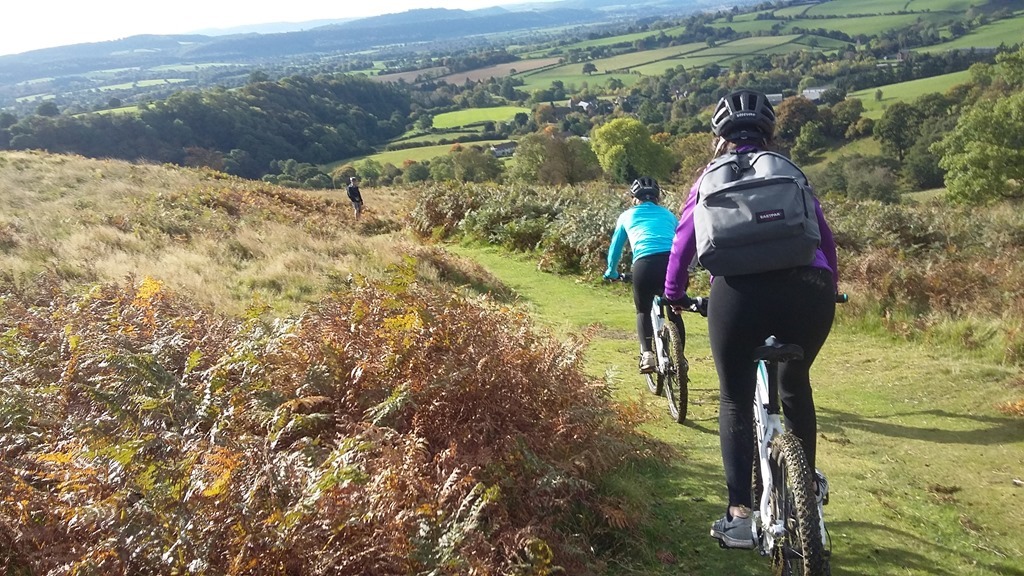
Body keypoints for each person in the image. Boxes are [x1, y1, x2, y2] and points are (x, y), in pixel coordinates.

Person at [663, 88, 840, 549]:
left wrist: (674, 295)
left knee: (735, 399)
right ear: (769, 132)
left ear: (721, 136)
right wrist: (827, 286)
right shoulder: (789, 171)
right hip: (809, 290)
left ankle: (739, 514)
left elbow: (684, 244)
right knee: (795, 381)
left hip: (739, 294)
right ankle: (808, 488)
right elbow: (825, 239)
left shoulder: (708, 178)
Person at [604, 177, 684, 374]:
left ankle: (647, 354)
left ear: (634, 198)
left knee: (643, 310)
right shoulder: (669, 215)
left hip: (644, 266)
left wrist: (611, 272)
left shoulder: (626, 216)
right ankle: (680, 357)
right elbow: (683, 240)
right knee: (675, 310)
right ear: (658, 198)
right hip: (672, 265)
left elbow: (615, 248)